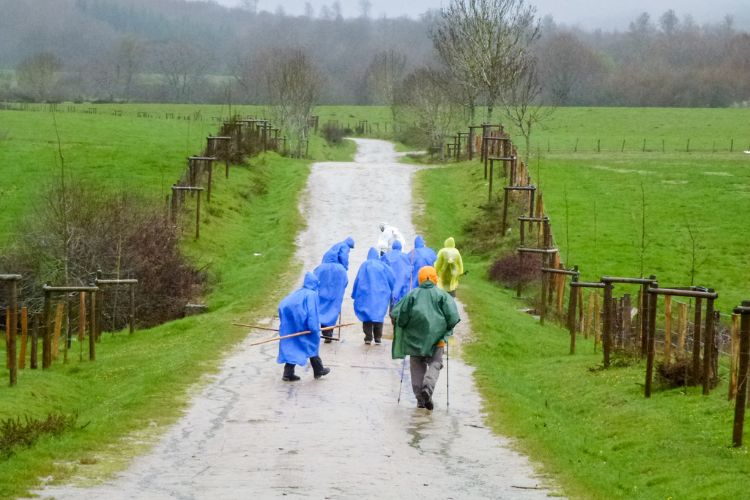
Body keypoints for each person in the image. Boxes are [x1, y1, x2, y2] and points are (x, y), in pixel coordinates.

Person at [391, 266, 460, 410]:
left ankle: (420, 400)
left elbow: (400, 316)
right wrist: (446, 329)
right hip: (437, 340)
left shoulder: (412, 295)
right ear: (435, 278)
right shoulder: (442, 296)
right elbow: (453, 317)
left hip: (414, 340)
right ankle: (427, 388)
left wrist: (402, 325)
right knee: (435, 363)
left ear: (420, 279)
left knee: (416, 367)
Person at [277, 272, 331, 381]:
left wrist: (288, 324)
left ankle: (288, 374)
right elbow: (312, 314)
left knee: (294, 346)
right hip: (304, 326)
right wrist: (313, 328)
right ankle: (319, 370)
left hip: (292, 325)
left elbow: (283, 305)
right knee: (312, 345)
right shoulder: (311, 295)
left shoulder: (298, 292)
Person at [352, 247, 395, 345]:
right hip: (381, 295)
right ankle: (378, 337)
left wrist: (354, 294)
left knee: (366, 315)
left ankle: (368, 337)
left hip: (366, 295)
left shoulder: (364, 265)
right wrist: (391, 290)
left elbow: (357, 280)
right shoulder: (382, 266)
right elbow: (391, 278)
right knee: (379, 315)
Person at [313, 247, 349, 343]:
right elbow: (345, 282)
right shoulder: (341, 269)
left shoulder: (320, 268)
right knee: (332, 313)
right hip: (335, 296)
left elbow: (313, 281)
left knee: (322, 313)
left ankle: (325, 334)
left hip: (321, 295)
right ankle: (329, 334)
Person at [385, 240, 412, 306]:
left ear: (392, 247)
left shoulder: (386, 256)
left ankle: (391, 311)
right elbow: (409, 268)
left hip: (391, 281)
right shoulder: (405, 256)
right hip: (401, 280)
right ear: (400, 247)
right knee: (400, 298)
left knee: (392, 297)